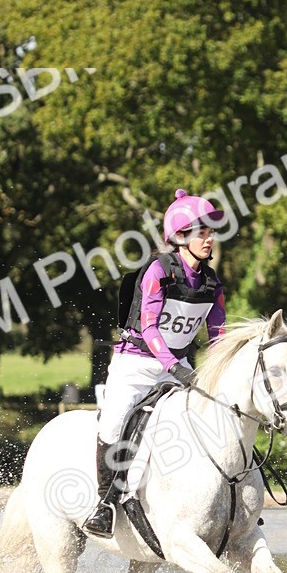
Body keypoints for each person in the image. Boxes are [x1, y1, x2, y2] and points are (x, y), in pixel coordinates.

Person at [83, 189, 227, 538]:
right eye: (201, 231)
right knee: (114, 424)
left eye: (211, 231)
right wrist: (174, 365)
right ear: (180, 236)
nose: (209, 238)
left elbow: (218, 336)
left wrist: (216, 374)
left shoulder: (212, 284)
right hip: (135, 364)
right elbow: (148, 327)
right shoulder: (158, 271)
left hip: (178, 368)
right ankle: (105, 504)